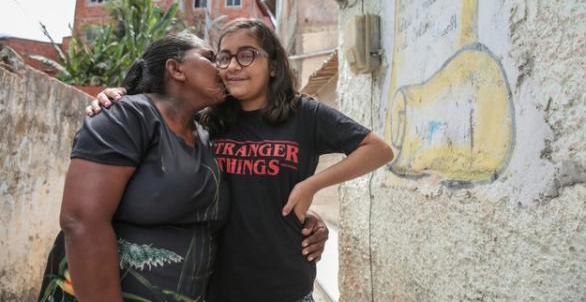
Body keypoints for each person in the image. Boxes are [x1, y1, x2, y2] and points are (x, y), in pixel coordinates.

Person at [91, 18, 394, 302]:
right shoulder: (207, 123)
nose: (233, 66)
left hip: (286, 286)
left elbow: (378, 149)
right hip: (217, 287)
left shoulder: (305, 115)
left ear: (273, 66)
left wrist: (311, 186)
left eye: (247, 55)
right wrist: (118, 95)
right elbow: (157, 114)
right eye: (223, 57)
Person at [39, 31, 328, 302]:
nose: (224, 68)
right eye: (212, 58)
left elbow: (241, 191)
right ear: (176, 69)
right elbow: (81, 221)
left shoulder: (207, 132)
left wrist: (302, 218)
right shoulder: (127, 117)